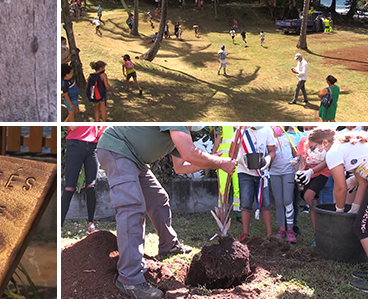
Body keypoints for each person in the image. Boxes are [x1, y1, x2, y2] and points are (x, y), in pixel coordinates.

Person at [96, 126, 237, 299]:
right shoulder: (179, 122)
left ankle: (169, 247)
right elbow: (190, 154)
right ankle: (129, 279)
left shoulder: (181, 134)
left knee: (158, 199)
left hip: (136, 161)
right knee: (131, 207)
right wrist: (221, 163)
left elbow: (181, 166)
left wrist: (213, 160)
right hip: (117, 149)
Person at [307, 128, 368, 293]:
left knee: (362, 229)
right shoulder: (346, 147)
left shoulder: (333, 152)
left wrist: (339, 210)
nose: (313, 152)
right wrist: (354, 209)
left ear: (325, 142)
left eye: (314, 147)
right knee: (362, 225)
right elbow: (362, 184)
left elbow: (340, 188)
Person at [231, 126, 276, 242]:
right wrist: (240, 160)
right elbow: (232, 151)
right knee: (245, 202)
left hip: (262, 173)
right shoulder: (240, 130)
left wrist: (268, 159)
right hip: (244, 172)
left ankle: (270, 235)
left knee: (265, 202)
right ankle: (245, 233)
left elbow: (272, 150)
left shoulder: (267, 130)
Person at [61, 126, 105, 232]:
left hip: (93, 147)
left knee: (91, 187)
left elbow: (99, 133)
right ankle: (59, 226)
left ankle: (91, 224)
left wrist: (102, 128)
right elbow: (72, 126)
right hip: (74, 144)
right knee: (69, 188)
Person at [295, 127, 332, 247]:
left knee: (308, 196)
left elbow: (326, 161)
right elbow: (302, 160)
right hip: (307, 174)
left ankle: (326, 230)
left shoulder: (327, 144)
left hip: (322, 173)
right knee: (311, 202)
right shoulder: (302, 141)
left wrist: (311, 171)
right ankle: (317, 235)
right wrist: (299, 172)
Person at [269, 126, 298, 244]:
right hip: (274, 172)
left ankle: (290, 229)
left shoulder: (290, 138)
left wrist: (296, 159)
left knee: (287, 200)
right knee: (278, 201)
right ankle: (281, 229)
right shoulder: (269, 139)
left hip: (288, 171)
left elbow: (297, 154)